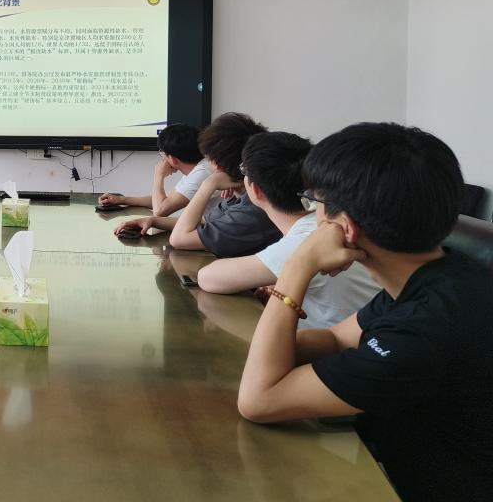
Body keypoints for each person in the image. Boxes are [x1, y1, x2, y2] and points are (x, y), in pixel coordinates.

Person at [237, 123, 493, 502]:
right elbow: (335, 339)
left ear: (344, 227)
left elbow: (258, 401)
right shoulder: (444, 275)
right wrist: (268, 349)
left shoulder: (423, 331)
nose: (312, 212)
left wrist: (297, 267)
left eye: (314, 202)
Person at [196, 131, 379, 329]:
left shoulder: (307, 240)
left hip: (336, 345)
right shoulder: (327, 222)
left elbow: (208, 277)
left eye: (243, 170)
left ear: (255, 190)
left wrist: (209, 183)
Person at [166, 112, 280, 255]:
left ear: (217, 165)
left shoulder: (251, 209)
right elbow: (204, 222)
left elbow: (179, 239)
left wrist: (208, 185)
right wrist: (154, 221)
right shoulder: (241, 195)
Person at [106, 123, 212, 233]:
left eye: (163, 153)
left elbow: (159, 211)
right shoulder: (199, 168)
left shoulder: (201, 173)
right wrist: (122, 200)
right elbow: (165, 200)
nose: (163, 159)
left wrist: (158, 175)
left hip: (212, 233)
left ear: (173, 159)